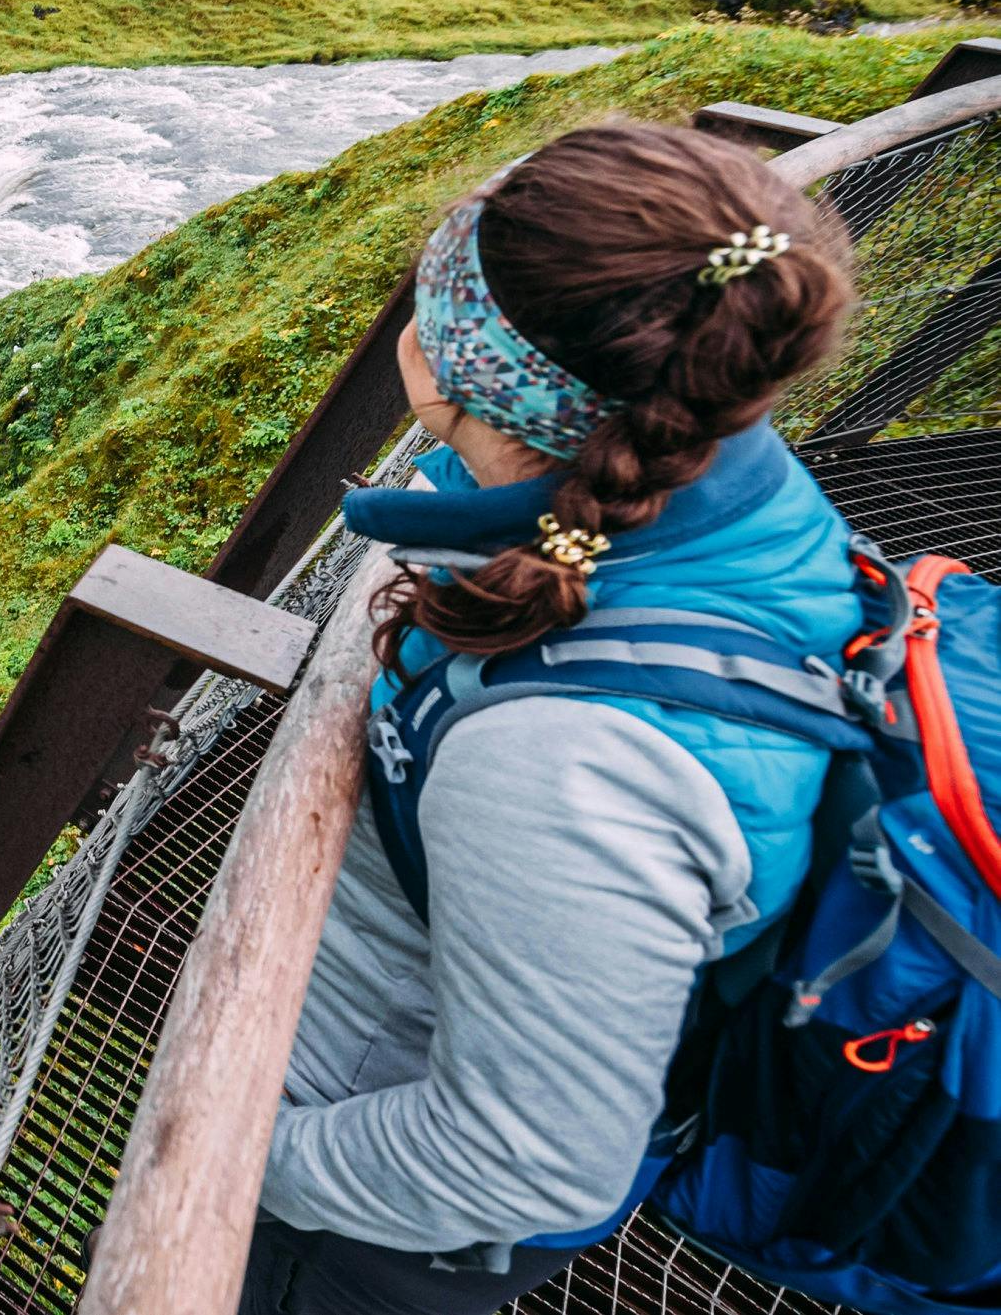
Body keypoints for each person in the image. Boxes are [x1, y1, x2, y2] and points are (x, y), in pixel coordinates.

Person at [241, 124, 860, 1315]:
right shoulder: (732, 487)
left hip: (372, 1225)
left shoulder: (558, 761)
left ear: (445, 369)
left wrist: (229, 1154)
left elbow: (518, 1161)